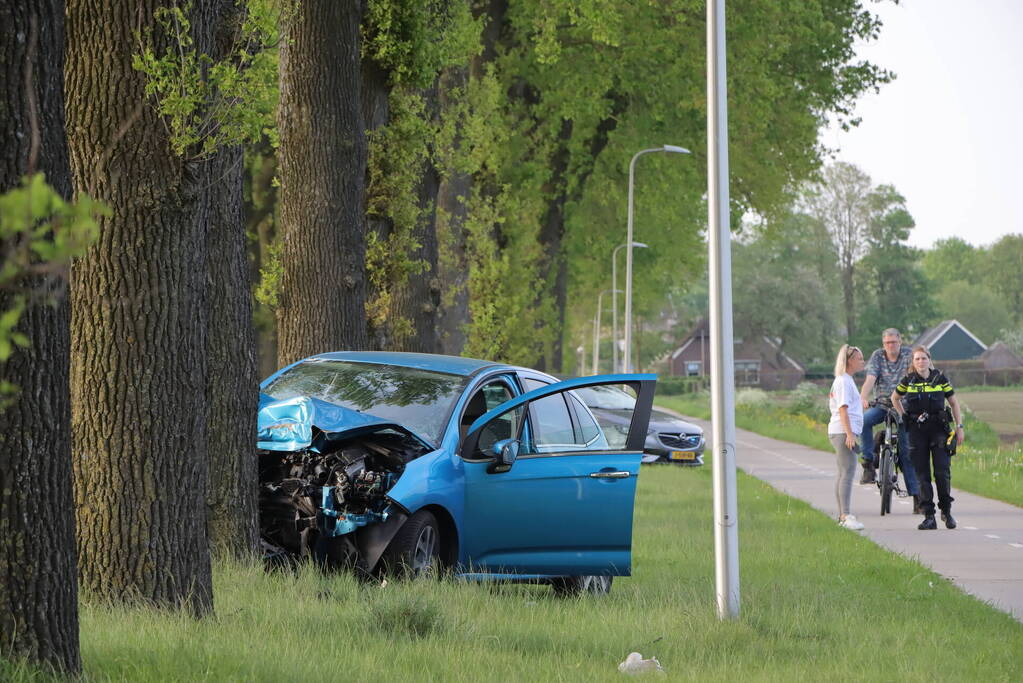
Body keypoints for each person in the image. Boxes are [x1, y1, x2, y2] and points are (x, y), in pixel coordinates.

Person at [891, 346, 965, 530]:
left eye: (924, 358)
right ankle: (929, 516)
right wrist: (904, 416)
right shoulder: (908, 380)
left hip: (939, 430)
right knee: (922, 474)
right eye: (917, 359)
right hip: (916, 432)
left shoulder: (940, 379)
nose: (921, 362)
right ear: (913, 362)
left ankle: (946, 512)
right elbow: (895, 398)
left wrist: (959, 427)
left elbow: (954, 403)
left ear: (929, 360)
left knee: (942, 471)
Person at [858, 328, 921, 513]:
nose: (890, 346)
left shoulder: (909, 355)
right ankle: (868, 464)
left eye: (893, 342)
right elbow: (870, 379)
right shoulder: (878, 356)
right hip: (882, 404)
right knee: (864, 421)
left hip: (904, 407)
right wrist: (863, 397)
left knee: (906, 453)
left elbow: (917, 375)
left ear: (900, 342)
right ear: (883, 344)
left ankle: (917, 498)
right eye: (887, 343)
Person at [828, 344, 866, 530]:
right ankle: (845, 515)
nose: (862, 362)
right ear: (849, 360)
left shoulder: (847, 380)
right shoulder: (843, 381)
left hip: (842, 430)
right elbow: (843, 409)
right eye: (859, 359)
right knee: (848, 471)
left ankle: (843, 515)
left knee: (843, 472)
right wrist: (849, 434)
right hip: (842, 431)